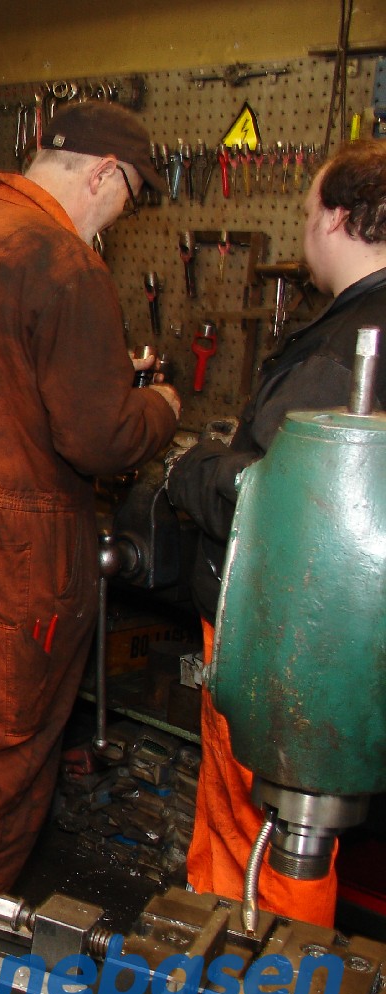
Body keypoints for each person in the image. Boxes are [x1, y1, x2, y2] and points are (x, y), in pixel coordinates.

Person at [0, 101, 181, 960]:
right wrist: (157, 406)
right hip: (5, 554)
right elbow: (100, 438)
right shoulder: (61, 263)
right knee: (4, 753)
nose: (117, 218)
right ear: (101, 174)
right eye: (126, 197)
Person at [167, 139, 386, 928]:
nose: (303, 230)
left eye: (305, 213)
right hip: (349, 640)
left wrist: (187, 473)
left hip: (283, 631)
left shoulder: (345, 346)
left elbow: (274, 503)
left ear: (337, 217)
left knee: (255, 829)